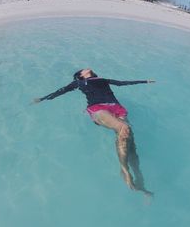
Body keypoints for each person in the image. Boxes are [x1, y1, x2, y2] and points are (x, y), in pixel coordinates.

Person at [33, 68, 154, 196]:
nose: (86, 68)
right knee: (124, 128)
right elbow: (62, 90)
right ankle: (124, 170)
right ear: (81, 75)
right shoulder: (79, 83)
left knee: (131, 144)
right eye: (82, 70)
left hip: (117, 108)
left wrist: (145, 81)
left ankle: (141, 185)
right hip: (98, 108)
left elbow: (122, 83)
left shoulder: (102, 80)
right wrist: (42, 98)